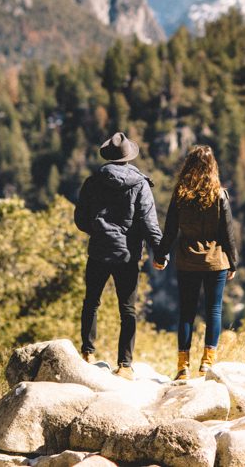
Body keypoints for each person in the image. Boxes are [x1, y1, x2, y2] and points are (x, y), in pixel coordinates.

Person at [74, 130, 163, 379]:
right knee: (128, 309)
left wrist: (98, 230)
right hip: (127, 254)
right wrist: (160, 251)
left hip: (99, 250)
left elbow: (80, 219)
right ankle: (124, 364)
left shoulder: (92, 182)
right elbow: (149, 222)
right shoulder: (140, 184)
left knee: (91, 301)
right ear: (128, 157)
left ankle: (87, 353)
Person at [153, 144, 238, 380]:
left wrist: (160, 256)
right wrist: (233, 262)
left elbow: (169, 230)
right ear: (213, 167)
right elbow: (228, 233)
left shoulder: (180, 194)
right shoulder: (220, 194)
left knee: (187, 313)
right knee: (214, 310)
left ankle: (182, 367)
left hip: (187, 259)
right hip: (215, 260)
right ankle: (207, 364)